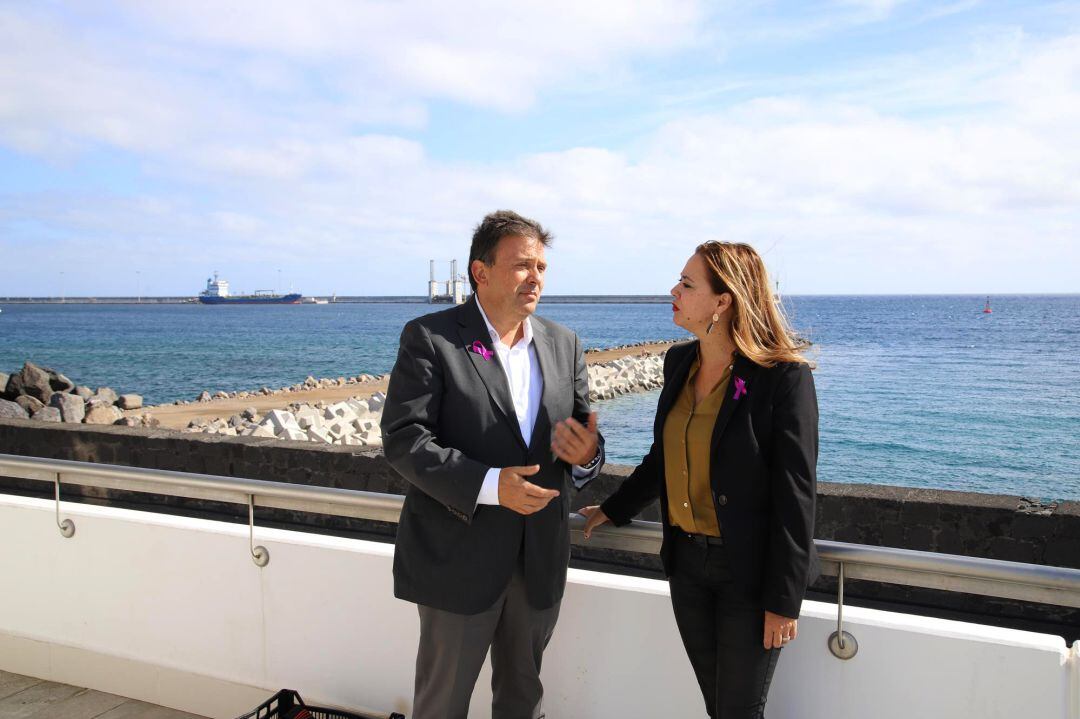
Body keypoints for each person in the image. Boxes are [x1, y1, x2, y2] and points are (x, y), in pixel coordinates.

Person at [579, 241, 818, 719]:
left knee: (738, 711)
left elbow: (796, 494)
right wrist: (614, 508)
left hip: (746, 575)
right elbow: (663, 458)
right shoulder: (678, 363)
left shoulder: (782, 377)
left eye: (687, 284)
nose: (674, 291)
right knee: (717, 706)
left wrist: (784, 600)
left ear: (723, 300)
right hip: (687, 566)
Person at [381, 210, 605, 719]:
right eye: (523, 265)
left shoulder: (562, 343)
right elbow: (402, 438)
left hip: (539, 559)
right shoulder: (431, 338)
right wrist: (488, 485)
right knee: (442, 704)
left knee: (523, 702)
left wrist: (588, 456)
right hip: (457, 559)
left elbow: (585, 441)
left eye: (542, 267)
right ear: (480, 273)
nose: (536, 278)